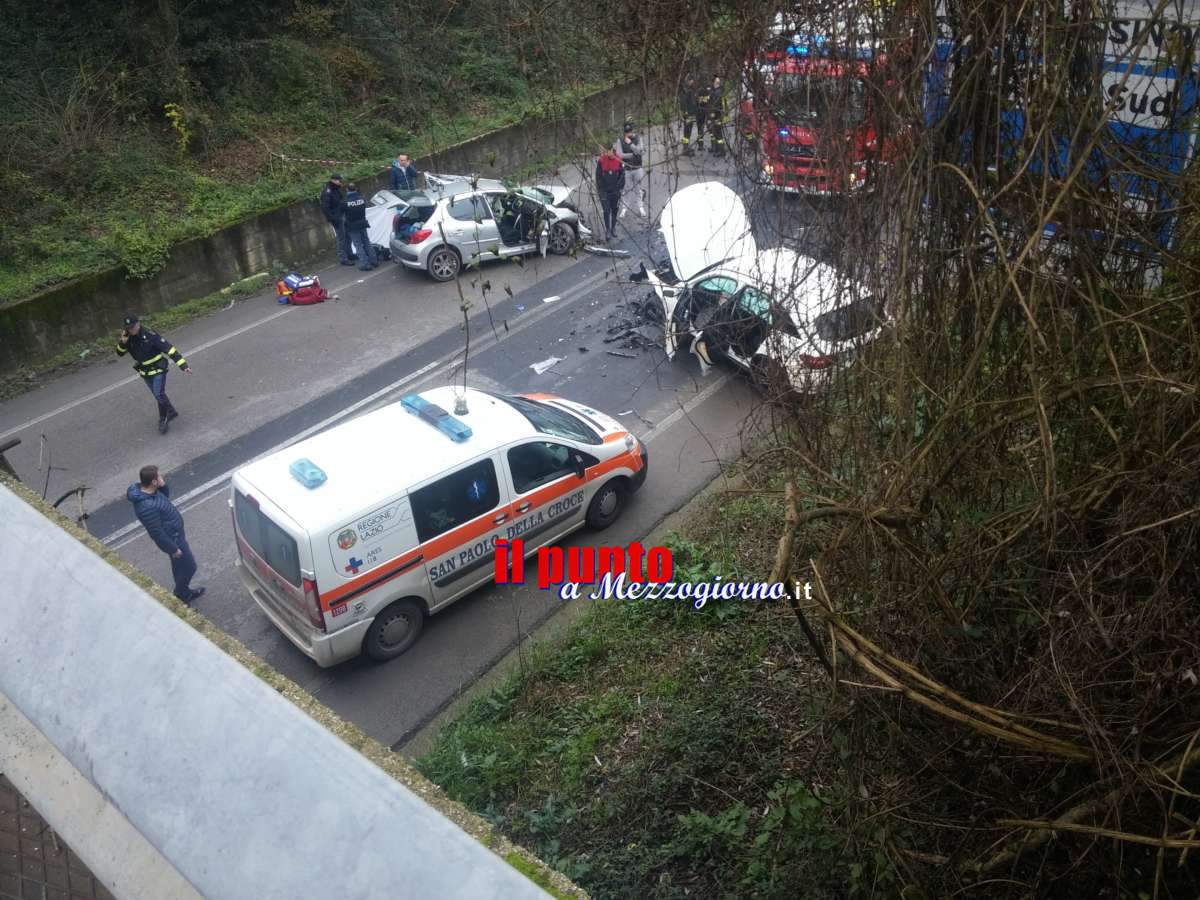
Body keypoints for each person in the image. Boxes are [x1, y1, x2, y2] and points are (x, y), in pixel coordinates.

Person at [127, 465, 204, 604]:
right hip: (173, 540)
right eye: (160, 476)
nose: (162, 478)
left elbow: (165, 498)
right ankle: (180, 594)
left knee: (179, 567)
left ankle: (184, 592)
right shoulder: (146, 507)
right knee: (190, 567)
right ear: (154, 482)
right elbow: (156, 533)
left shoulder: (152, 493)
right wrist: (173, 549)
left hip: (175, 535)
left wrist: (163, 486)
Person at [116, 314, 193, 434]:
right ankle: (171, 412)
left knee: (158, 394)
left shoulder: (150, 335)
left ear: (138, 324)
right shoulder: (127, 338)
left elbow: (170, 349)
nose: (131, 330)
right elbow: (119, 353)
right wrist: (122, 342)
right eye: (128, 328)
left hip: (158, 369)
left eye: (132, 327)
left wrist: (183, 366)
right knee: (158, 395)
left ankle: (163, 419)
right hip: (145, 372)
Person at [614, 120, 647, 219]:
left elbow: (641, 151)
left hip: (637, 168)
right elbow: (620, 154)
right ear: (624, 132)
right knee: (626, 189)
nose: (628, 133)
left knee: (638, 188)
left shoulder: (638, 138)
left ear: (632, 130)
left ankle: (640, 207)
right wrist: (633, 154)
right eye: (626, 132)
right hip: (627, 169)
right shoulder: (620, 140)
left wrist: (631, 144)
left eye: (630, 131)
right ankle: (624, 208)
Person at [320, 173, 354, 266]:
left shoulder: (336, 189)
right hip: (337, 218)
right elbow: (325, 208)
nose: (340, 182)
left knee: (347, 235)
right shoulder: (327, 192)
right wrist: (333, 219)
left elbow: (341, 201)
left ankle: (350, 254)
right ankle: (343, 258)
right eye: (339, 180)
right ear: (333, 180)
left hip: (342, 215)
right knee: (341, 238)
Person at [343, 182, 376, 271]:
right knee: (366, 242)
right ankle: (374, 261)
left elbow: (342, 212)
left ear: (347, 190)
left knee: (358, 245)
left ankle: (365, 264)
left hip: (352, 225)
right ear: (355, 189)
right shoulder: (362, 198)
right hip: (362, 223)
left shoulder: (345, 201)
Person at [595, 146, 625, 240]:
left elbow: (622, 175)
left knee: (614, 210)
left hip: (615, 190)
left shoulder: (618, 160)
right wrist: (601, 189)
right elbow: (598, 176)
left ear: (613, 150)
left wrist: (619, 187)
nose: (608, 153)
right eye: (607, 151)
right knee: (606, 211)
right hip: (604, 191)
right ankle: (607, 230)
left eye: (610, 151)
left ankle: (613, 228)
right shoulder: (601, 161)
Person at [678, 73, 700, 156]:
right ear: (688, 81)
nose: (693, 82)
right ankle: (685, 149)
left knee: (689, 130)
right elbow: (683, 103)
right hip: (688, 114)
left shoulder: (690, 89)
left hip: (691, 113)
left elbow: (693, 101)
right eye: (692, 81)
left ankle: (686, 147)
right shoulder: (685, 90)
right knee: (687, 131)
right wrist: (686, 114)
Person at [708, 76, 729, 157]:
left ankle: (721, 151)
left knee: (718, 133)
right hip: (720, 115)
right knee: (716, 132)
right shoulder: (719, 91)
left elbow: (715, 105)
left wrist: (712, 116)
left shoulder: (717, 93)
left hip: (717, 116)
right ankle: (717, 148)